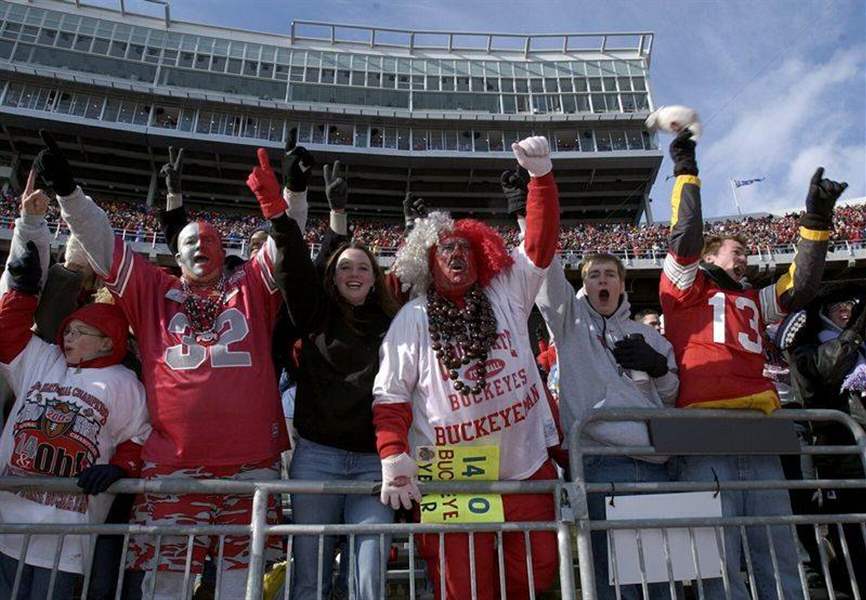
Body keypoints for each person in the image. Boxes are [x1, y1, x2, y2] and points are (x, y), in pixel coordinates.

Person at [32, 129, 304, 599]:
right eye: (191, 242)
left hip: (250, 465)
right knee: (166, 583)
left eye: (210, 240)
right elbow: (102, 242)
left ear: (224, 249)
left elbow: (287, 246)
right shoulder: (152, 289)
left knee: (241, 584)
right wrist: (68, 193)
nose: (201, 247)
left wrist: (292, 194)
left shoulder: (251, 287)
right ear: (175, 255)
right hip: (174, 467)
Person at [659, 126, 848, 599]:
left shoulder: (752, 299)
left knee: (776, 548)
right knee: (715, 556)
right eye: (737, 251)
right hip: (702, 431)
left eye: (746, 252)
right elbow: (685, 236)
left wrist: (816, 222)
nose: (745, 259)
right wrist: (686, 170)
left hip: (758, 430)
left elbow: (801, 287)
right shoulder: (683, 286)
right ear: (710, 254)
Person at [372, 136, 562, 600]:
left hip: (525, 468)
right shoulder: (412, 318)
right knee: (462, 584)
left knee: (535, 574)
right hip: (450, 479)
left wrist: (541, 179)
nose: (456, 255)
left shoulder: (506, 292)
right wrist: (393, 454)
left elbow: (539, 247)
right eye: (444, 251)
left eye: (463, 248)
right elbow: (391, 395)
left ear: (481, 254)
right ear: (427, 264)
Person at [246, 150, 399, 599]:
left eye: (363, 267)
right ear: (333, 276)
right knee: (310, 576)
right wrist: (279, 212)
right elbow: (293, 266)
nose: (354, 272)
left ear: (374, 278)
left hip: (373, 462)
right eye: (345, 266)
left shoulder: (395, 323)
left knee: (368, 574)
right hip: (317, 457)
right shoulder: (315, 314)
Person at [0, 171, 149, 599]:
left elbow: (139, 435)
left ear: (107, 340)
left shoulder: (125, 379)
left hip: (70, 530)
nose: (67, 337)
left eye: (79, 332)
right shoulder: (45, 354)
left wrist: (121, 467)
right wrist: (24, 266)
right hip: (10, 519)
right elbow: (9, 326)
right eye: (67, 330)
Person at [534, 248, 678, 599]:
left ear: (622, 285)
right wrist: (532, 223)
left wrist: (659, 368)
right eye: (593, 275)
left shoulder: (651, 337)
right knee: (612, 574)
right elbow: (548, 277)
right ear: (583, 285)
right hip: (600, 463)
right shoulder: (569, 325)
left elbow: (671, 396)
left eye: (610, 275)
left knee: (659, 572)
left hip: (654, 463)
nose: (602, 280)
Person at [781, 285, 866, 596]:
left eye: (850, 304)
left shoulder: (861, 346)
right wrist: (855, 329)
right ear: (821, 313)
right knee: (851, 528)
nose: (846, 309)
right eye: (836, 305)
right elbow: (829, 368)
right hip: (841, 452)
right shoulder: (806, 346)